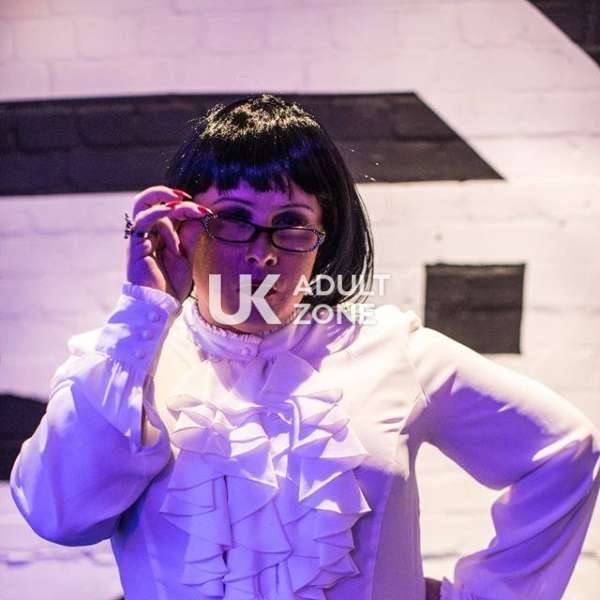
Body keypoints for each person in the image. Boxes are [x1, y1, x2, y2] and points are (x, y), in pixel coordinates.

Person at [10, 94, 600, 600]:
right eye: (232, 218)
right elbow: (60, 515)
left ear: (323, 236)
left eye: (291, 222)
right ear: (184, 222)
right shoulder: (125, 358)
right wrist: (145, 310)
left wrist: (481, 594)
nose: (262, 252)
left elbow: (564, 451)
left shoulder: (391, 349)